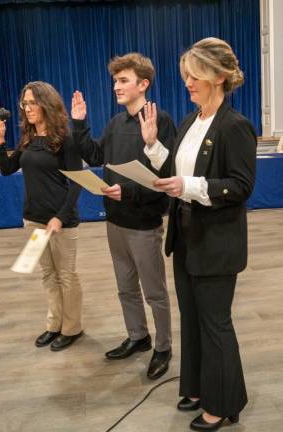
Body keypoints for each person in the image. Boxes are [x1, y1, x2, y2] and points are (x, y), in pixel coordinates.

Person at [140, 38, 256, 430]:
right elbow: (176, 166)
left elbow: (240, 186)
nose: (187, 81)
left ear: (219, 77)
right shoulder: (192, 121)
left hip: (217, 242)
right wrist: (154, 146)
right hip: (187, 237)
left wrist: (187, 187)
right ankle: (198, 388)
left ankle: (224, 404)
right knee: (191, 318)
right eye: (186, 74)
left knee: (215, 323)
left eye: (195, 75)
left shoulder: (235, 126)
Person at [71, 53, 177, 379]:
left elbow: (167, 177)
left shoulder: (162, 121)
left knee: (154, 291)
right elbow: (94, 154)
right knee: (125, 288)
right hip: (115, 221)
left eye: (123, 80)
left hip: (144, 224)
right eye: (115, 80)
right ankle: (138, 337)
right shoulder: (115, 124)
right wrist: (79, 124)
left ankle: (163, 346)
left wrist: (128, 192)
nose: (116, 86)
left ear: (143, 84)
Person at [0, 81, 84, 352]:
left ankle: (72, 328)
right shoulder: (28, 139)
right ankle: (54, 325)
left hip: (61, 221)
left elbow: (77, 182)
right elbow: (8, 169)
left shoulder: (65, 140)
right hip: (33, 219)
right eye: (25, 103)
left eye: (32, 103)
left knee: (67, 276)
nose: (27, 108)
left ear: (46, 104)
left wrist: (60, 216)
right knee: (48, 275)